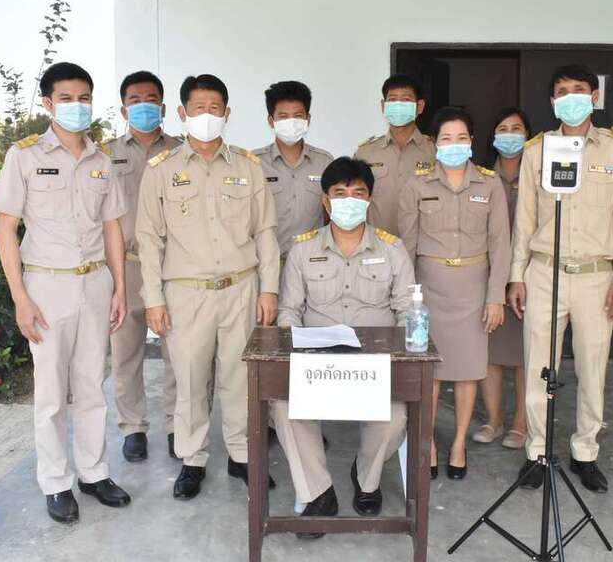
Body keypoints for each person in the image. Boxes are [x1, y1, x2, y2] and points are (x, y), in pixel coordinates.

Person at [0, 62, 131, 523]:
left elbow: (112, 228)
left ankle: (94, 473)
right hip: (46, 284)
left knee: (91, 385)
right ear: (49, 103)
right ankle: (55, 483)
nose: (77, 106)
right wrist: (20, 298)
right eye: (66, 98)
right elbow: (6, 229)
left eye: (84, 98)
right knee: (50, 393)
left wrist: (120, 288)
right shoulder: (24, 156)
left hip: (95, 281)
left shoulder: (101, 160)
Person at [135, 74, 281, 501]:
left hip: (241, 289)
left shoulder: (248, 167)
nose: (206, 115)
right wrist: (153, 299)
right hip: (186, 293)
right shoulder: (162, 171)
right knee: (190, 380)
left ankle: (242, 455)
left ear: (227, 113)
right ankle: (192, 459)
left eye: (215, 108)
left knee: (241, 379)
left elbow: (265, 232)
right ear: (182, 113)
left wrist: (269, 289)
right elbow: (149, 239)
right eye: (198, 108)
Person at [509, 64, 613, 493]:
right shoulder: (537, 151)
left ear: (594, 97)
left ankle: (585, 451)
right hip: (544, 272)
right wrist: (516, 276)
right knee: (537, 368)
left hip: (596, 278)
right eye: (561, 91)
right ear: (552, 102)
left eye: (579, 90)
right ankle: (537, 452)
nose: (571, 97)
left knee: (591, 369)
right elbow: (524, 221)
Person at [273, 157, 413, 539]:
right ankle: (318, 493)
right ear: (325, 200)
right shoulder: (303, 249)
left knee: (394, 418)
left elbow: (406, 311)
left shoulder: (393, 249)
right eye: (339, 193)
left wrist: (400, 360)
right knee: (283, 408)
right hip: (318, 365)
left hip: (374, 366)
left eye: (358, 193)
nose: (348, 201)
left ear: (369, 199)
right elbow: (289, 310)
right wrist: (292, 352)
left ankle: (367, 479)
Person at [399, 107, 511, 481]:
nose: (454, 144)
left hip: (474, 290)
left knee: (466, 372)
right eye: (446, 138)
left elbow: (501, 245)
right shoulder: (417, 185)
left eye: (461, 137)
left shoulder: (489, 184)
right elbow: (407, 246)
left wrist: (495, 296)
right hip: (429, 289)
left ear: (472, 141)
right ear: (435, 143)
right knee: (429, 373)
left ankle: (459, 443)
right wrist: (407, 299)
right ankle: (428, 442)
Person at [108, 70, 184, 463]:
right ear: (123, 109)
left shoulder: (182, 151)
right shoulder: (106, 154)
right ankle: (133, 428)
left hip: (174, 265)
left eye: (151, 99)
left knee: (179, 353)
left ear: (164, 107)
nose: (143, 106)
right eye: (134, 100)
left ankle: (176, 426)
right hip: (127, 266)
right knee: (125, 353)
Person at [471, 107, 532, 450]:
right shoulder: (482, 176)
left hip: (527, 275)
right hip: (490, 274)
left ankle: (521, 424)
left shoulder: (538, 173)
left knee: (525, 354)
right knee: (490, 351)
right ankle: (493, 420)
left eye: (517, 128)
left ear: (529, 135)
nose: (510, 134)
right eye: (503, 128)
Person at [253, 81, 333, 262]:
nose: (291, 122)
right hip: (268, 264)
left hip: (313, 263)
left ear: (308, 119)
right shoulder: (254, 163)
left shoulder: (324, 162)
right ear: (271, 121)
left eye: (298, 116)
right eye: (283, 116)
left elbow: (331, 215)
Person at [355, 74, 436, 236]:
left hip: (423, 244)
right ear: (383, 106)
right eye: (392, 100)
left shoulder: (435, 150)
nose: (398, 105)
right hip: (378, 244)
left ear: (419, 106)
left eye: (406, 100)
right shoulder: (366, 152)